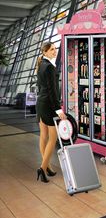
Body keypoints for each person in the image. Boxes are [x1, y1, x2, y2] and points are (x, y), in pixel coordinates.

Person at [36, 42, 67, 183]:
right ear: (45, 52)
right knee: (53, 138)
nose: (55, 51)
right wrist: (58, 109)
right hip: (48, 105)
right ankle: (42, 168)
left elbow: (40, 87)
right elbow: (52, 90)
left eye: (55, 49)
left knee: (43, 136)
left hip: (40, 103)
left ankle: (47, 166)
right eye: (52, 49)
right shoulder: (49, 67)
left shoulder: (41, 65)